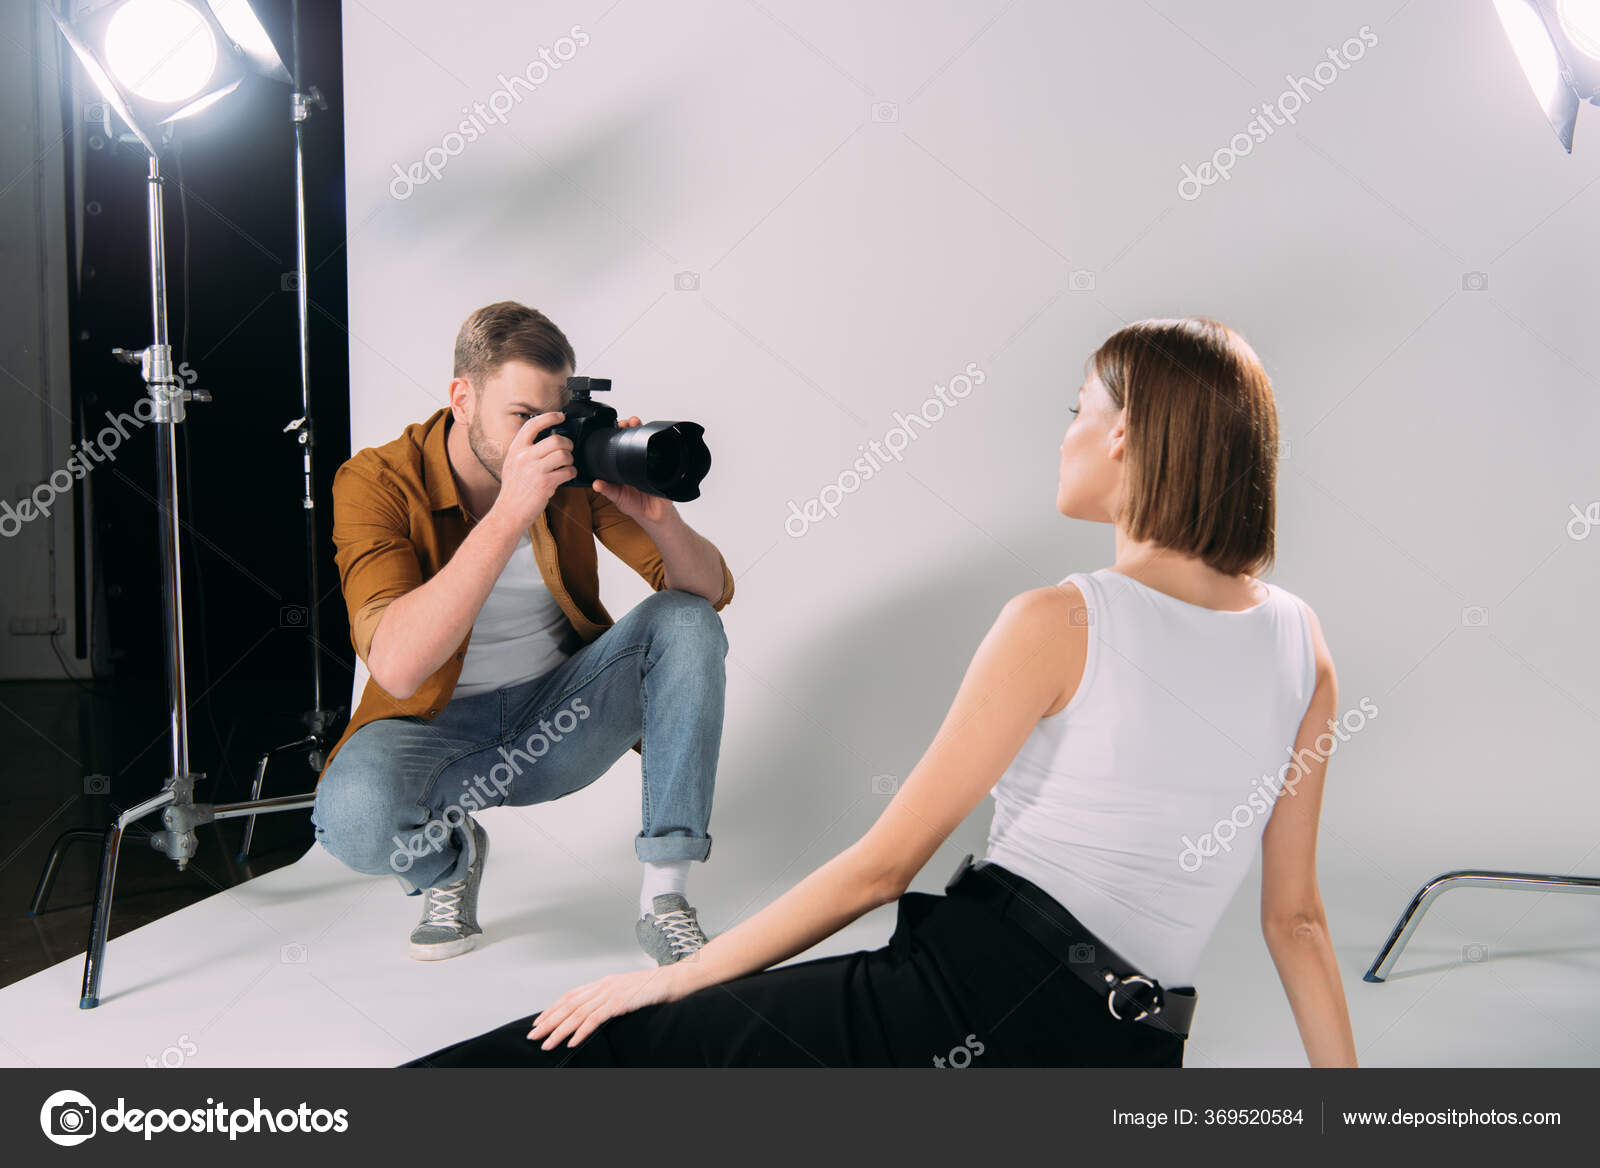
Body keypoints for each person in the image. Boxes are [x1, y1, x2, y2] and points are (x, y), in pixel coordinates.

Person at [404, 317, 1358, 1068]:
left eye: (1077, 410)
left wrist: (672, 983)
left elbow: (879, 869)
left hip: (966, 996)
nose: (1064, 432)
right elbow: (1298, 922)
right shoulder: (1299, 639)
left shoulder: (1062, 620)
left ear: (1128, 438)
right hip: (1131, 1047)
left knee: (592, 1052)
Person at [312, 301, 735, 966]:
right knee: (353, 818)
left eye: (554, 415)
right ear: (463, 397)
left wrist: (660, 520)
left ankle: (664, 897)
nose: (542, 438)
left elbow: (707, 597)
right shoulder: (376, 480)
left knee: (685, 619)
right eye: (521, 417)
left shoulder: (569, 468)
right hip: (432, 732)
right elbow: (395, 666)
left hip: (558, 724)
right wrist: (509, 513)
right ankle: (451, 865)